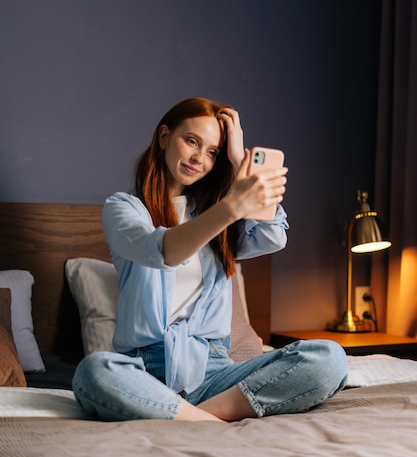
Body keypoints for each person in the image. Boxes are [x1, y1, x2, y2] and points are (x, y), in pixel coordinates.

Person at [72, 97, 348, 422]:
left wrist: (237, 162)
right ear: (164, 137)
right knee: (94, 371)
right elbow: (163, 251)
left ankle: (197, 417)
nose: (198, 158)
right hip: (144, 371)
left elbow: (273, 237)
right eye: (191, 141)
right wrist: (230, 207)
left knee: (329, 357)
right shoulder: (125, 209)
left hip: (216, 374)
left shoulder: (214, 219)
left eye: (212, 152)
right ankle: (206, 422)